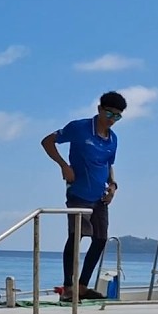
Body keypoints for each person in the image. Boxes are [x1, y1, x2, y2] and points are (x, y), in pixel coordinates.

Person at [41, 90, 126, 301]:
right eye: (109, 114)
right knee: (76, 237)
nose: (112, 120)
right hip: (78, 193)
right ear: (99, 109)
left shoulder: (113, 139)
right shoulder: (79, 128)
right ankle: (68, 287)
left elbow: (108, 164)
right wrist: (64, 166)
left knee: (100, 239)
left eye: (117, 116)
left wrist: (113, 186)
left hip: (100, 197)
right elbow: (47, 142)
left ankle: (82, 286)